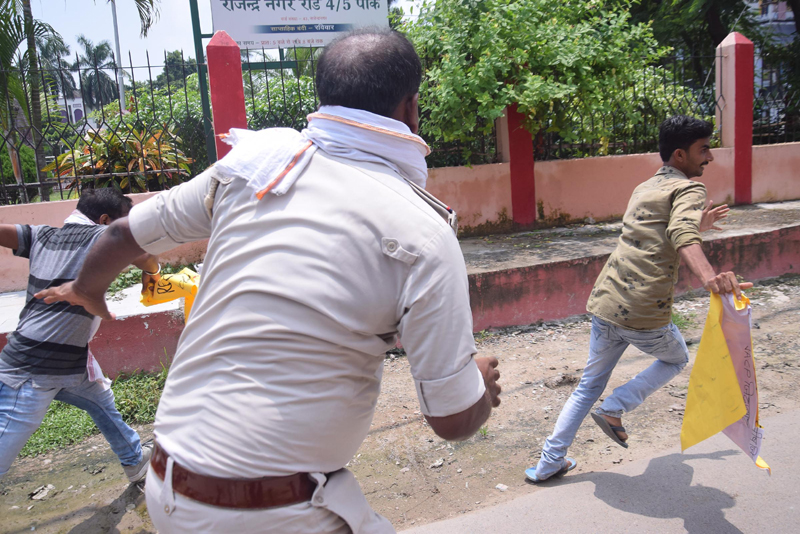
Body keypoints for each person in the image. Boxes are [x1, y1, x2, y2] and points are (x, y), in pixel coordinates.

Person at [37, 28, 501, 533]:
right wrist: (478, 383)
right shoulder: (422, 232)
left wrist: (86, 291)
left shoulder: (257, 165)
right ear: (411, 108)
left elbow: (122, 235)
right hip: (273, 515)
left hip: (166, 485)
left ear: (324, 97)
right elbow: (452, 421)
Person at [525, 115, 750, 483]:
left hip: (606, 300)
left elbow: (656, 232)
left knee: (587, 386)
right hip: (644, 309)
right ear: (680, 155)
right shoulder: (689, 190)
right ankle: (615, 407)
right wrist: (710, 278)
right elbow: (679, 232)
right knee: (676, 357)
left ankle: (549, 463)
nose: (709, 157)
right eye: (704, 149)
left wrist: (698, 225)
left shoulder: (644, 187)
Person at [0, 188, 160, 482]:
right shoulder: (105, 238)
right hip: (34, 368)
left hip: (68, 363)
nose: (126, 231)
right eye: (123, 224)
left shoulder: (41, 235)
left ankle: (135, 460)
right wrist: (154, 271)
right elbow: (147, 258)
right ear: (104, 220)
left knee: (101, 401)